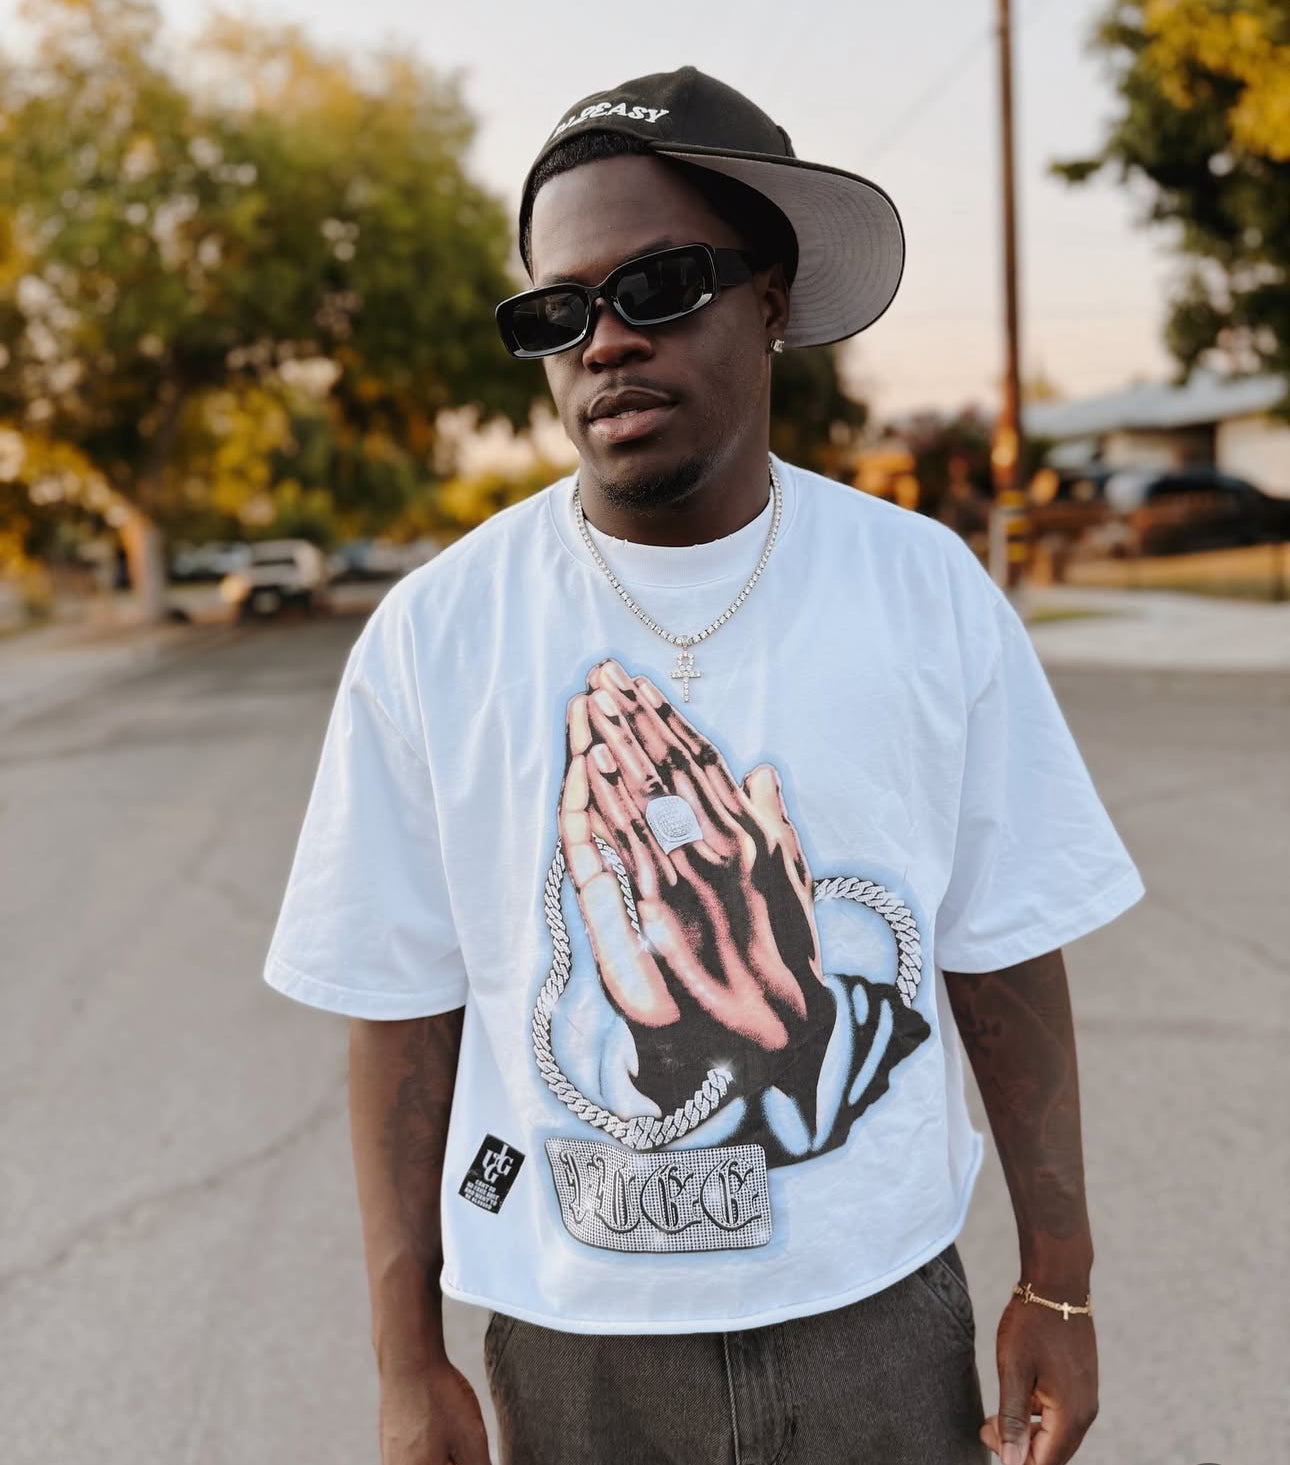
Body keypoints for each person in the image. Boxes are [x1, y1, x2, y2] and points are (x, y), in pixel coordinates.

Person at [265, 67, 1144, 1465]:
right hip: (574, 1341)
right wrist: (405, 1358)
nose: (605, 340)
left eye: (660, 285)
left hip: (875, 1310)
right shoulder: (436, 634)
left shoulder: (923, 591)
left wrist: (1060, 1277)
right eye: (558, 313)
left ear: (770, 298)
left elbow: (1002, 941)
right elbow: (401, 1008)